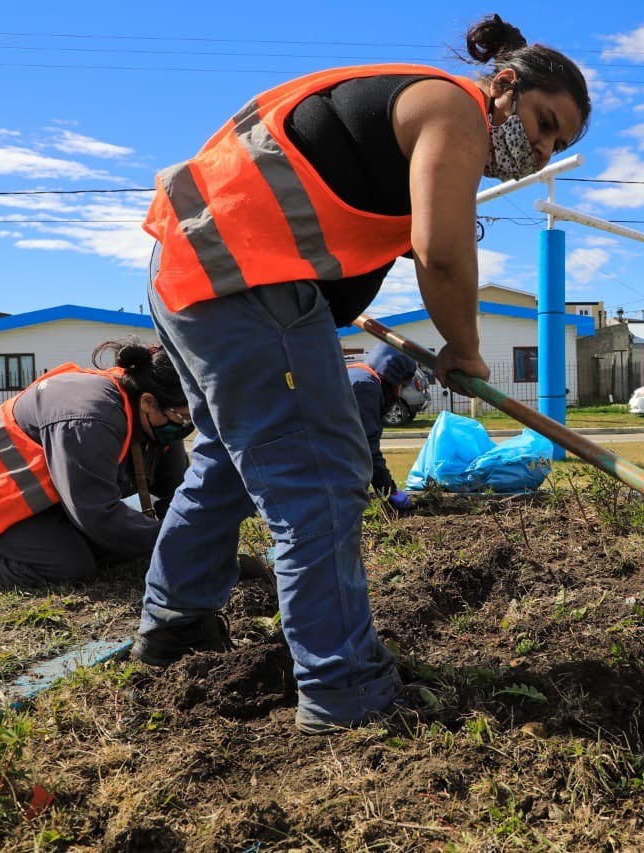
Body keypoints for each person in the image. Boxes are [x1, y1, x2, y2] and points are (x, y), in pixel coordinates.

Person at [131, 14, 590, 734]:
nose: (543, 148)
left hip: (188, 271)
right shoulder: (453, 109)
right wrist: (466, 350)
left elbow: (409, 236)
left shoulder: (397, 114)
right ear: (503, 86)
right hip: (248, 277)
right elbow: (440, 253)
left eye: (560, 143)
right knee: (318, 474)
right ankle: (343, 688)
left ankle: (175, 626)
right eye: (544, 123)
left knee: (224, 457)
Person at [0, 339, 193, 598]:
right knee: (67, 567)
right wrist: (185, 545)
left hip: (45, 499)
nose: (185, 427)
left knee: (127, 543)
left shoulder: (155, 418)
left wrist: (201, 536)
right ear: (148, 401)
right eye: (182, 418)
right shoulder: (90, 416)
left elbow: (175, 495)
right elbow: (97, 514)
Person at [349, 344, 421, 513]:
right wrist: (389, 491)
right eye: (403, 385)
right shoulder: (365, 386)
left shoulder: (357, 374)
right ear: (395, 379)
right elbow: (367, 447)